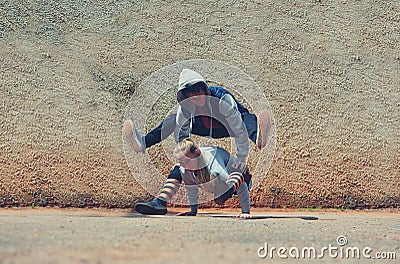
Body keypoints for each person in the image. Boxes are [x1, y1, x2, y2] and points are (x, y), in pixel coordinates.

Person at [123, 68, 272, 165]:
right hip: (204, 127)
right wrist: (185, 154)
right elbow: (182, 134)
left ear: (205, 90)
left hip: (228, 126)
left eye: (198, 93)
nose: (196, 99)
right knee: (172, 120)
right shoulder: (186, 108)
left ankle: (257, 135)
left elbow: (238, 126)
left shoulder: (221, 97)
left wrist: (241, 159)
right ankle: (143, 142)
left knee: (246, 118)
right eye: (192, 97)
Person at [134, 138, 253, 218]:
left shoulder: (213, 162)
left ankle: (224, 192)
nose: (183, 165)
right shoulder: (184, 168)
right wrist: (193, 210)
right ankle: (159, 202)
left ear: (196, 153)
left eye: (186, 161)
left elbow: (242, 186)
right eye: (181, 162)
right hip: (214, 182)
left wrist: (245, 212)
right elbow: (191, 189)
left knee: (235, 171)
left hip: (239, 180)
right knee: (179, 170)